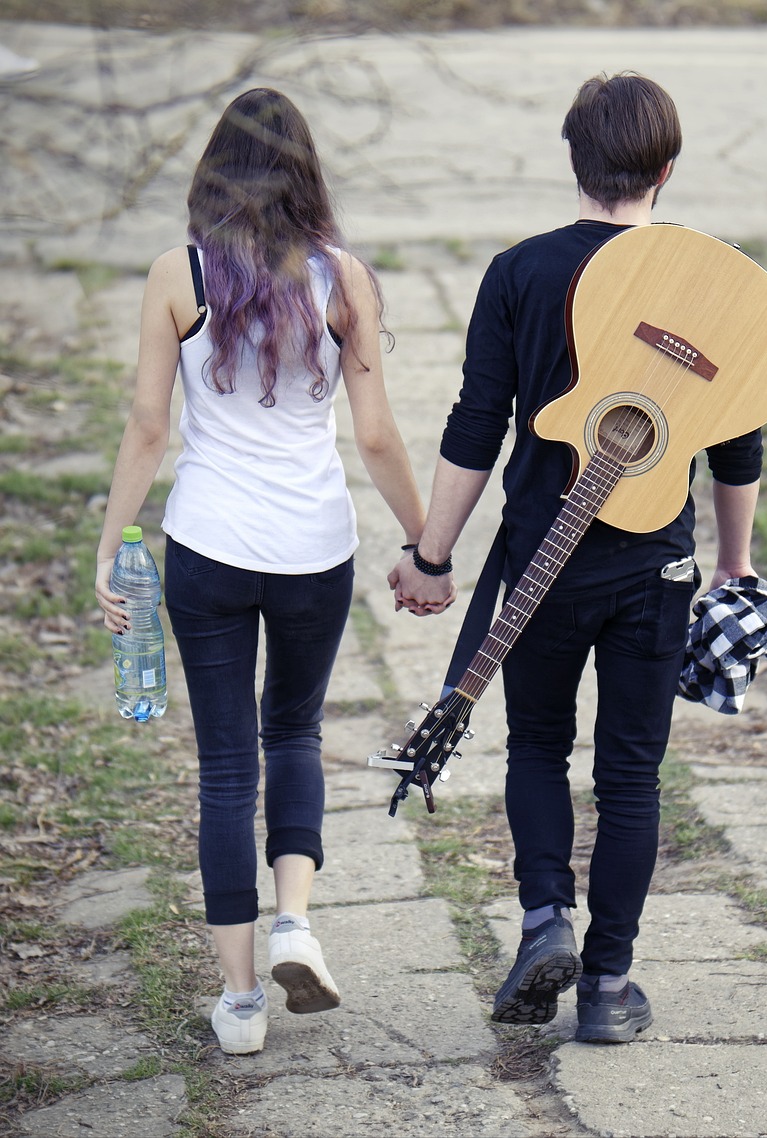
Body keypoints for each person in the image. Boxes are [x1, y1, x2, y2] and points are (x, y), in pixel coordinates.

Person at [390, 72, 764, 1043]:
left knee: (537, 748)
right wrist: (733, 565)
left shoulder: (520, 272)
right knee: (631, 776)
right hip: (655, 569)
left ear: (574, 160)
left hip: (543, 567)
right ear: (666, 170)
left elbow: (477, 423)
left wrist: (432, 553)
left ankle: (543, 916)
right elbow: (737, 447)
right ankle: (604, 990)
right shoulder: (704, 287)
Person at [95, 88, 426, 1056]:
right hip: (313, 549)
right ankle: (295, 920)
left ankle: (240, 1003)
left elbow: (150, 426)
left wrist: (113, 543)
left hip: (208, 547)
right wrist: (424, 541)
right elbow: (372, 433)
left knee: (225, 767)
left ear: (213, 173)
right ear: (305, 175)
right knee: (295, 731)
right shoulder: (341, 280)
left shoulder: (177, 273)